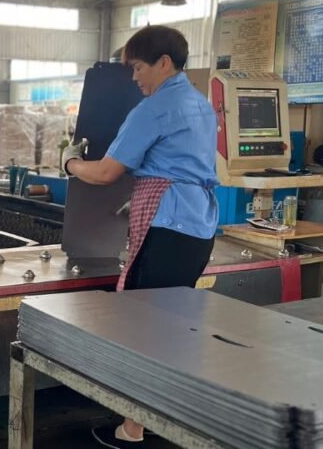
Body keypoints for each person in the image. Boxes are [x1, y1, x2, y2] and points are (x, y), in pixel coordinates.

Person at [62, 25, 219, 448]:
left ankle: (135, 430)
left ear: (163, 64)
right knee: (171, 325)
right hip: (198, 226)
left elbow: (107, 172)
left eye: (137, 67)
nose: (134, 77)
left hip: (167, 226)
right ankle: (161, 418)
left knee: (143, 328)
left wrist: (71, 163)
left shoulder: (155, 109)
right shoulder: (201, 105)